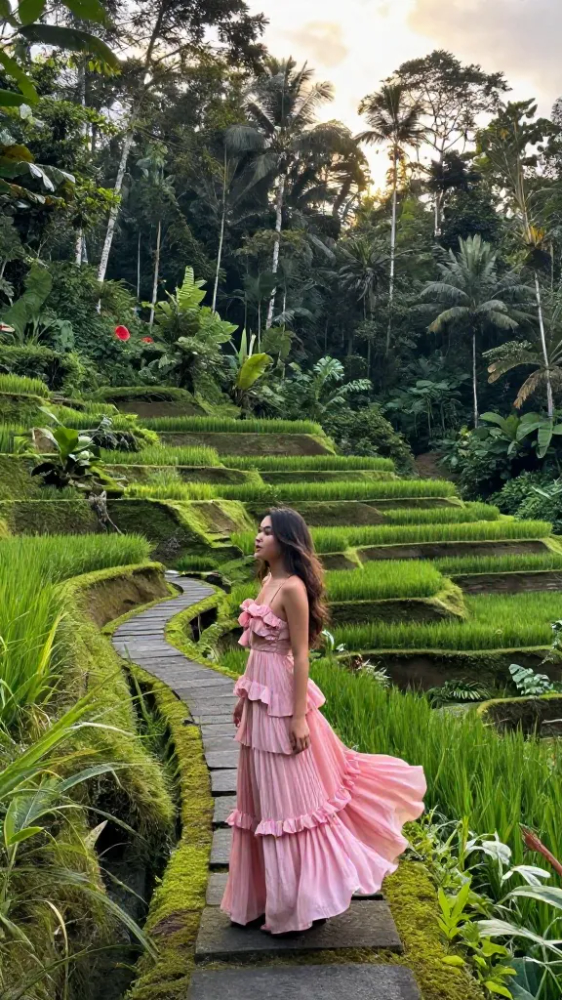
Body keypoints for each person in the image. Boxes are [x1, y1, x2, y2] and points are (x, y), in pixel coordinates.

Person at [220, 506, 427, 935]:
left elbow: (300, 655)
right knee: (259, 799)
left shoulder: (292, 588)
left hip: (282, 700)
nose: (258, 538)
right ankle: (263, 898)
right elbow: (255, 652)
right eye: (258, 531)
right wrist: (243, 695)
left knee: (289, 801)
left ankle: (302, 903)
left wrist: (298, 718)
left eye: (267, 533)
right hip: (259, 699)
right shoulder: (265, 583)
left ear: (288, 541)